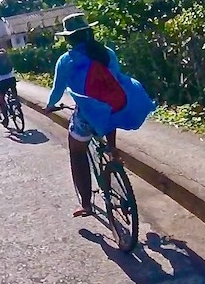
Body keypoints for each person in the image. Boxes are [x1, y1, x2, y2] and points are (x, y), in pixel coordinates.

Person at [44, 13, 155, 218]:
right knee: (107, 116)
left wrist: (50, 106)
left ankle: (86, 204)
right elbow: (115, 80)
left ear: (69, 38)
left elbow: (57, 91)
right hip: (115, 108)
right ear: (89, 32)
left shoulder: (66, 60)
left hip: (88, 113)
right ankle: (113, 151)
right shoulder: (107, 53)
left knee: (76, 151)